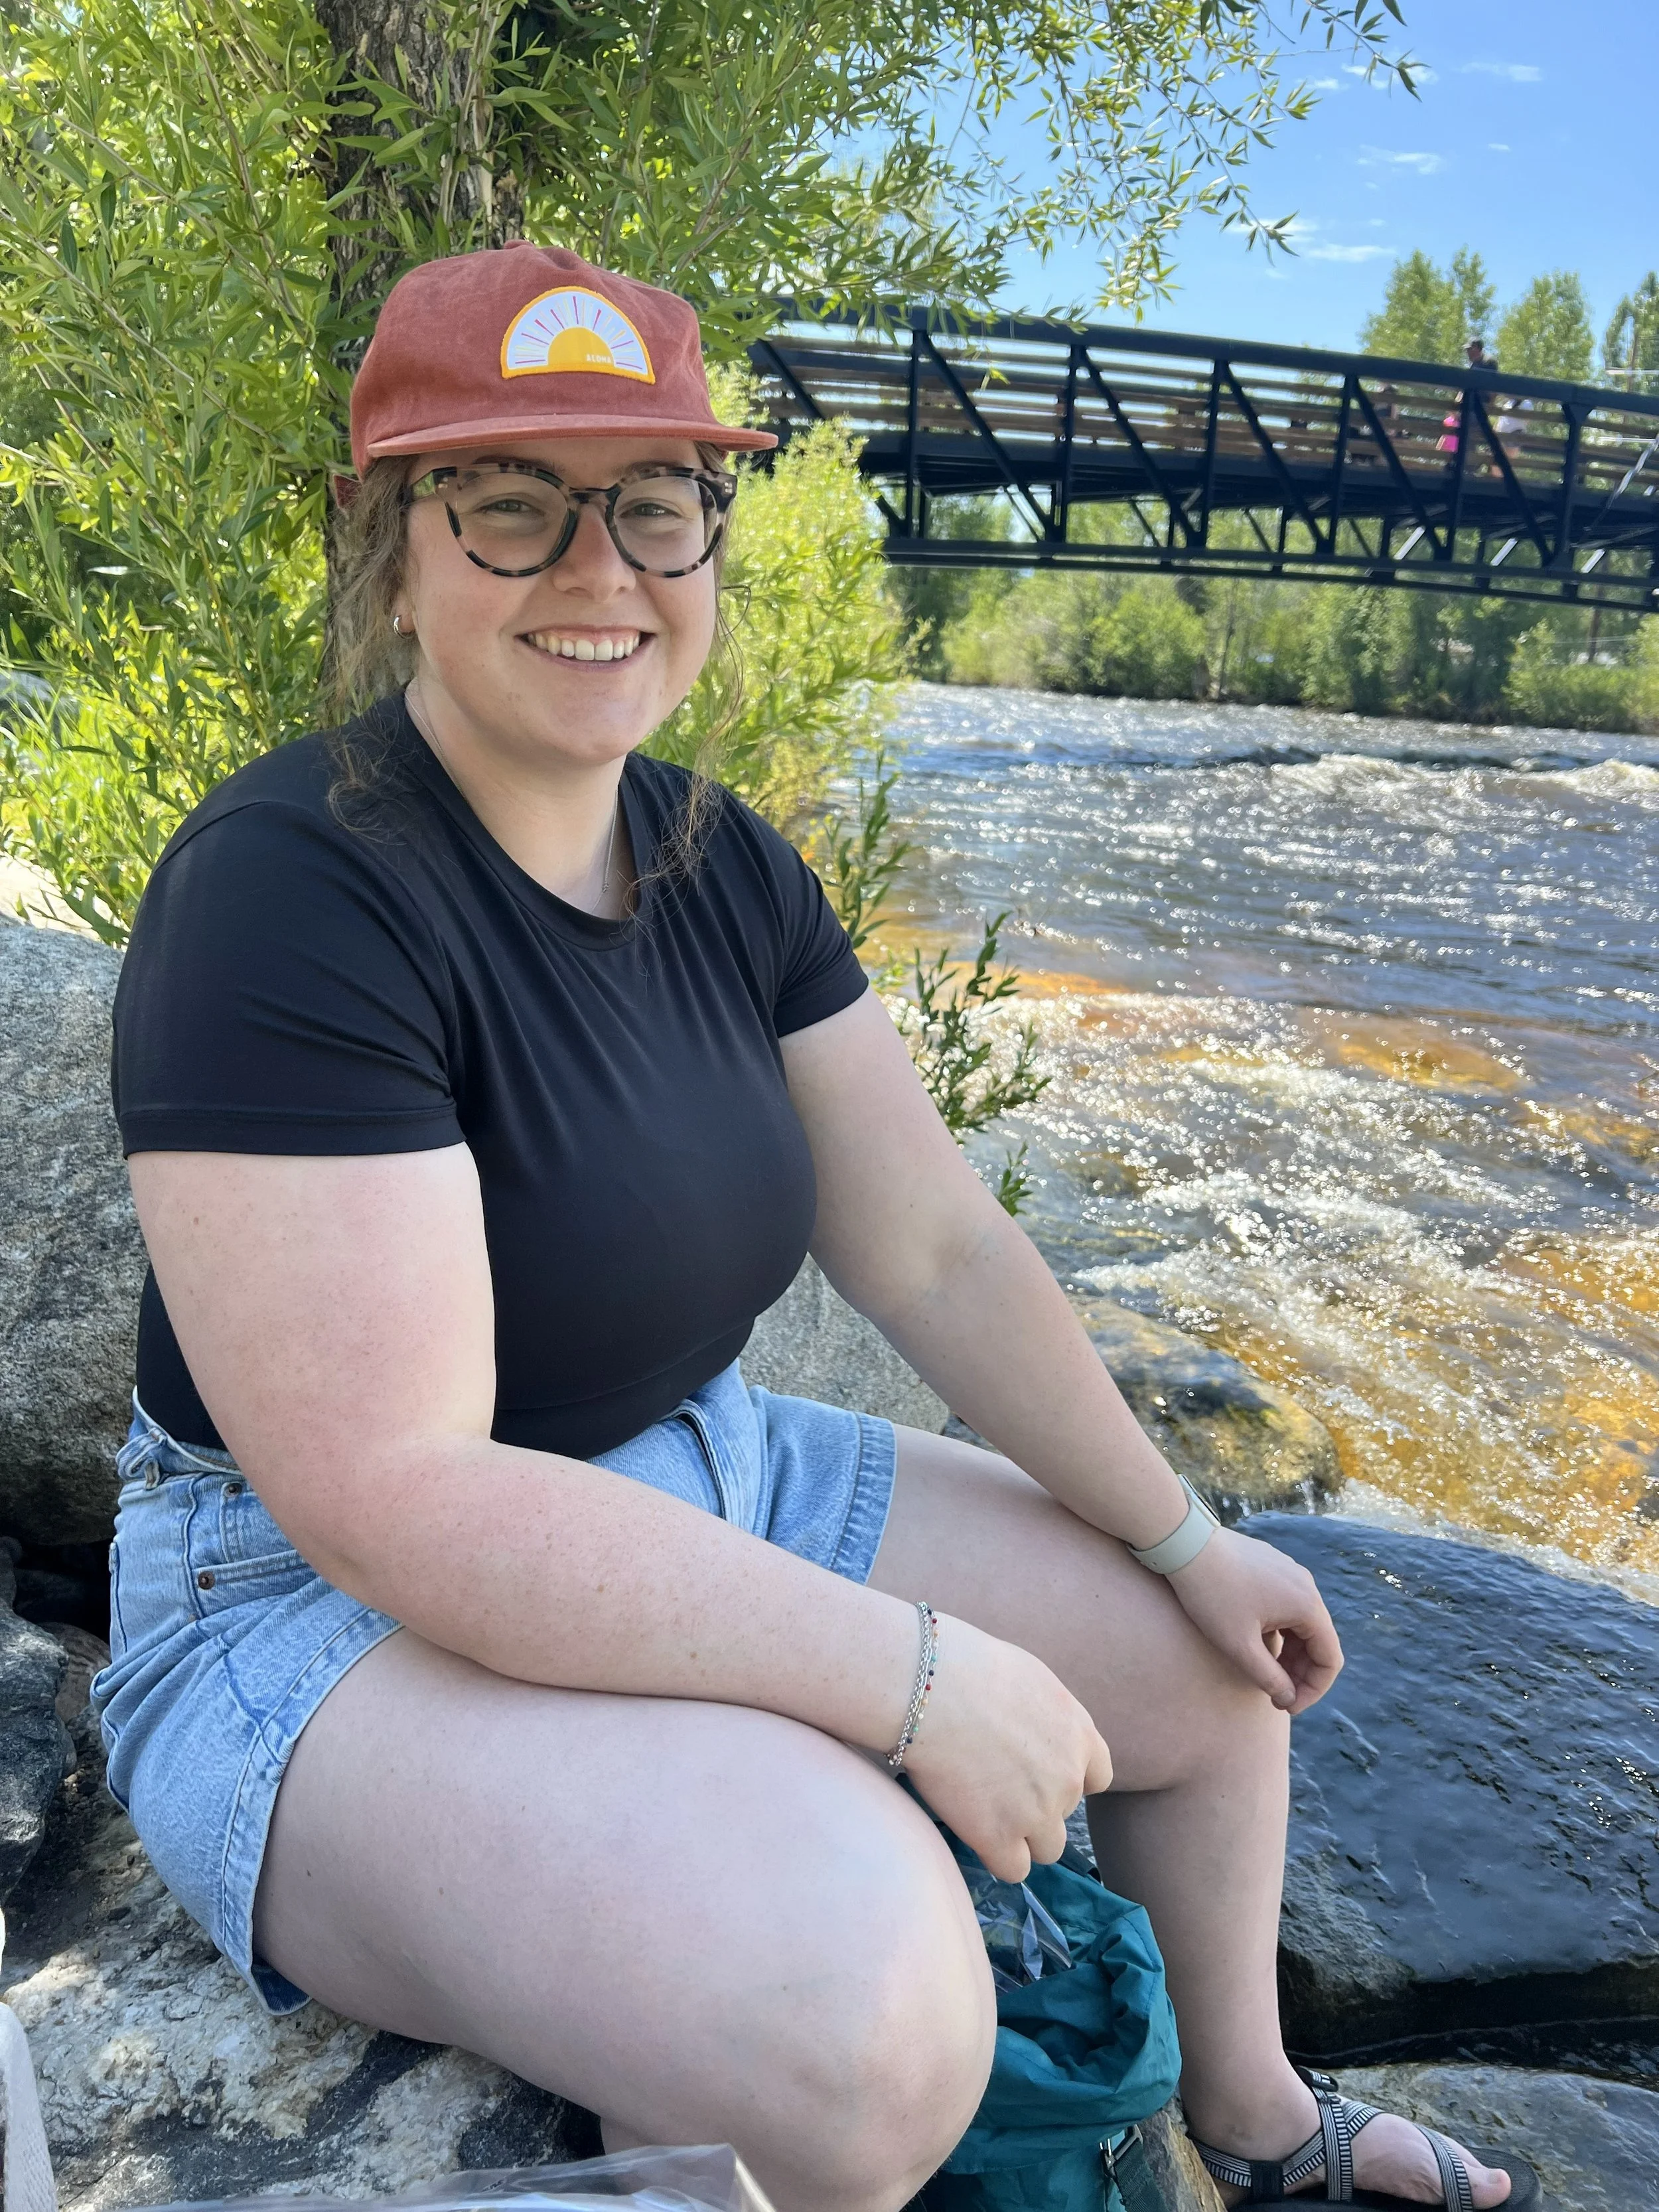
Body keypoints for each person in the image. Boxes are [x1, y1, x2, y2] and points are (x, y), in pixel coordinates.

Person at [93, 243, 1526, 2212]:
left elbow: (931, 1246)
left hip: (700, 1465)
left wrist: (1180, 1531)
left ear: (710, 534)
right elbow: (394, 1493)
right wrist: (912, 1675)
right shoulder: (289, 889)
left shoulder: (718, 857)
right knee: (859, 2027)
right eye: (507, 504)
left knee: (1207, 1689)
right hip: (306, 1614)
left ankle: (1256, 2125)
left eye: (655, 503)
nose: (598, 569)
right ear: (387, 545)